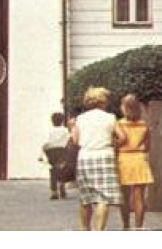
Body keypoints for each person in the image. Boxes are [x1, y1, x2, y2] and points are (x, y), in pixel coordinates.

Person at [71, 86, 123, 231]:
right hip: (104, 155)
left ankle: (84, 230)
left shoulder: (80, 119)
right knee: (103, 198)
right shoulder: (110, 117)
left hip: (85, 156)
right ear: (102, 101)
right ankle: (98, 231)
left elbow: (75, 140)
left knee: (85, 197)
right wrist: (113, 143)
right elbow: (122, 137)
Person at [117, 94, 153, 230]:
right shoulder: (144, 125)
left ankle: (126, 226)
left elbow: (118, 142)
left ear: (124, 108)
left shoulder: (119, 124)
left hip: (123, 159)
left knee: (125, 197)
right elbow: (148, 146)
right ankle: (139, 226)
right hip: (139, 159)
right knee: (139, 197)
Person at [42, 111, 71, 200]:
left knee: (53, 171)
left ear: (52, 121)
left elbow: (46, 143)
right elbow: (68, 140)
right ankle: (62, 185)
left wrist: (43, 152)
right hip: (62, 151)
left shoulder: (49, 131)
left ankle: (54, 191)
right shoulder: (65, 130)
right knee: (62, 169)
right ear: (62, 121)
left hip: (51, 151)